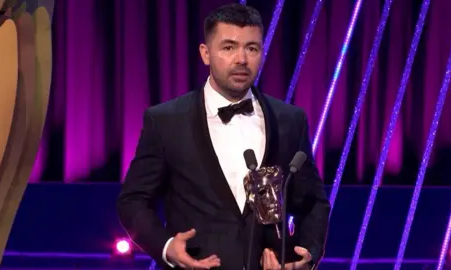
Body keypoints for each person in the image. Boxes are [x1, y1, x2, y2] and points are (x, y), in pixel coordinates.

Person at [117, 3, 330, 270]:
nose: (241, 59)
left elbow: (314, 204)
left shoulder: (289, 120)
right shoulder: (165, 121)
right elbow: (133, 201)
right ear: (205, 53)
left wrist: (305, 253)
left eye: (251, 48)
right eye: (228, 47)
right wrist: (166, 246)